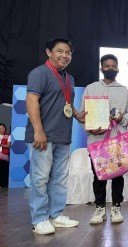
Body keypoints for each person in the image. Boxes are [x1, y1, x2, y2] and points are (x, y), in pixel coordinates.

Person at [26, 38, 84, 235]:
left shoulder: (70, 78)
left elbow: (66, 102)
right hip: (43, 136)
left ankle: (56, 215)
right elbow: (32, 100)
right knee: (40, 178)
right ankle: (39, 219)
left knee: (60, 178)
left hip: (63, 136)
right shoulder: (39, 73)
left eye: (68, 52)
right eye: (60, 51)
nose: (64, 56)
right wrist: (38, 131)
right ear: (49, 52)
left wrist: (77, 115)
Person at [79, 54, 128, 224]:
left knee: (118, 175)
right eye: (107, 66)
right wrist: (89, 129)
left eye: (114, 66)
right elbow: (83, 114)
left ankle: (116, 207)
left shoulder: (124, 90)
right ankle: (100, 208)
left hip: (118, 141)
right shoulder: (90, 88)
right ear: (101, 68)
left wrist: (122, 119)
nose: (111, 68)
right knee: (99, 176)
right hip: (97, 141)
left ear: (118, 68)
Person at [0, 123, 11, 189]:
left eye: (2, 128)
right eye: (0, 128)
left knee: (4, 169)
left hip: (4, 156)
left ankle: (4, 184)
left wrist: (1, 145)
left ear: (5, 128)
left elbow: (8, 146)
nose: (1, 129)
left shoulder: (8, 136)